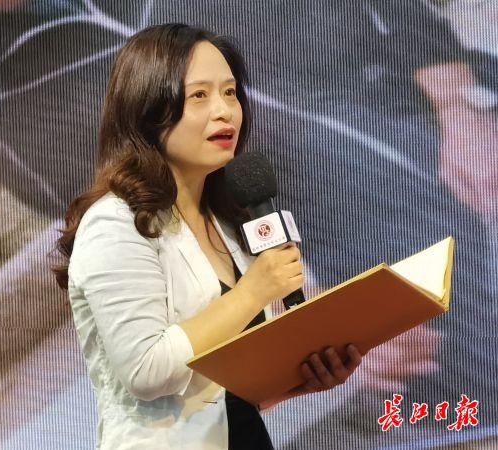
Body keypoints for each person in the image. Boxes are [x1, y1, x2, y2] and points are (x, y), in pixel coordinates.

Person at [52, 23, 364, 450]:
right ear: (149, 108)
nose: (225, 111)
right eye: (199, 95)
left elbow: (220, 393)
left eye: (230, 93)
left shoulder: (224, 219)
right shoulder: (115, 222)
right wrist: (254, 292)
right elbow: (146, 371)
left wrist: (302, 379)